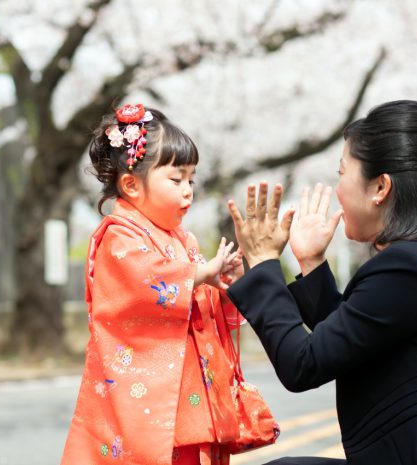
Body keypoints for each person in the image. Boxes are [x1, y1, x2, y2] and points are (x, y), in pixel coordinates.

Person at [225, 100, 417, 464]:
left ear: (380, 187)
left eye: (342, 173)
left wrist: (262, 263)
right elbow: (351, 340)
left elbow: (303, 364)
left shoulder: (409, 266)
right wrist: (311, 262)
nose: (337, 190)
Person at [60, 103, 248, 465]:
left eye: (192, 179)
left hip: (189, 396)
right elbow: (142, 283)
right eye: (176, 180)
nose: (188, 191)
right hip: (147, 401)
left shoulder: (185, 242)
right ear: (131, 184)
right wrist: (197, 276)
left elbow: (203, 311)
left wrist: (225, 288)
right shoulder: (118, 237)